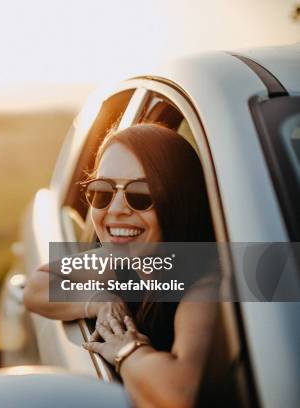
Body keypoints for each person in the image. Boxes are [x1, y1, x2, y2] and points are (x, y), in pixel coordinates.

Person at [23, 123, 218, 408]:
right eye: (102, 192)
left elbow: (177, 395)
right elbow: (37, 286)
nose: (115, 210)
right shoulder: (121, 259)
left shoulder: (205, 286)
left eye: (141, 196)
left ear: (181, 201)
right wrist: (98, 300)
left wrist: (125, 349)